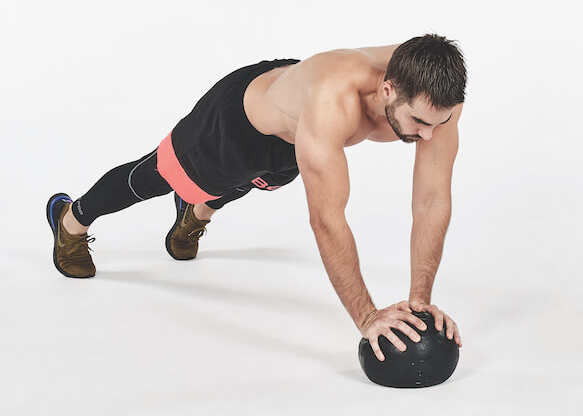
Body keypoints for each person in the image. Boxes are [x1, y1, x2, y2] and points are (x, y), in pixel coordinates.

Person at [46, 33, 466, 358]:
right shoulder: (332, 102)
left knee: (249, 182)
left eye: (438, 123)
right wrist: (368, 317)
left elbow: (430, 201)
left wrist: (419, 304)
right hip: (237, 126)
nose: (429, 136)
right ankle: (71, 219)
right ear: (389, 90)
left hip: (293, 138)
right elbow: (327, 220)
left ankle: (196, 213)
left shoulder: (434, 96)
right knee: (157, 176)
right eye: (419, 123)